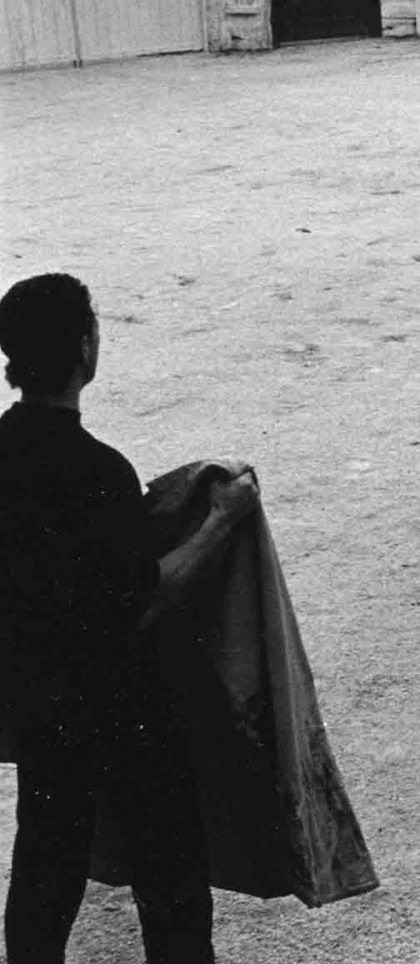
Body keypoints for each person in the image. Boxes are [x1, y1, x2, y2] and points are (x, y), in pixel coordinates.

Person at [1, 272, 263, 964]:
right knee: (171, 871)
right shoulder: (99, 471)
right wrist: (220, 521)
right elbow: (146, 597)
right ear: (86, 348)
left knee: (43, 870)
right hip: (117, 706)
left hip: (36, 703)